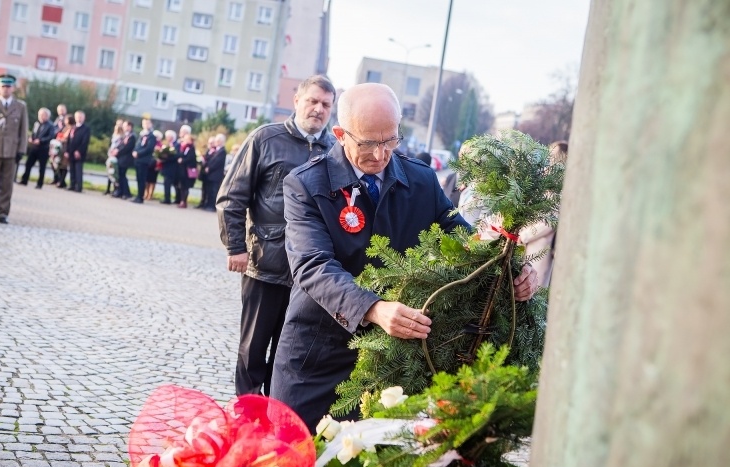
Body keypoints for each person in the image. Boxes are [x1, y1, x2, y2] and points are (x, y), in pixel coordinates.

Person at [269, 83, 539, 431]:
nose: (381, 155)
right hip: (319, 351)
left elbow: (464, 237)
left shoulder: (421, 180)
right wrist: (373, 308)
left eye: (390, 140)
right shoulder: (306, 185)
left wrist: (513, 267)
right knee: (290, 462)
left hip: (394, 359)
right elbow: (312, 266)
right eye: (368, 143)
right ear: (340, 135)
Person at [216, 74, 336, 396]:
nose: (318, 109)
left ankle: (276, 417)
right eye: (312, 101)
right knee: (252, 350)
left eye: (326, 104)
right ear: (297, 101)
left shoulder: (336, 150)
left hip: (308, 275)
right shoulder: (265, 139)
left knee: (288, 355)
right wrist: (235, 247)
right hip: (264, 264)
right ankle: (247, 418)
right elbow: (232, 197)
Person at [517, 140, 567, 288]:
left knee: (533, 289)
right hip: (527, 244)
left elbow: (549, 220)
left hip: (540, 245)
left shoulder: (561, 189)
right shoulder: (544, 182)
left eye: (552, 155)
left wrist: (523, 235)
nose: (548, 159)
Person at [0, 73, 28, 224]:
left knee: (7, 184)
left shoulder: (20, 107)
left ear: (13, 88)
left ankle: (3, 212)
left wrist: (21, 150)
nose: (6, 89)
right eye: (3, 86)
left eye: (8, 86)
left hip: (12, 152)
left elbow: (23, 130)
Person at [19, 107, 55, 188]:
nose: (41, 116)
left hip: (43, 149)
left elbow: (51, 136)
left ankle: (40, 183)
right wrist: (31, 138)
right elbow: (34, 133)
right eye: (40, 115)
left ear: (47, 116)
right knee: (28, 164)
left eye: (43, 115)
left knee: (42, 167)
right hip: (34, 148)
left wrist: (41, 140)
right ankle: (24, 180)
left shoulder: (50, 125)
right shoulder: (36, 124)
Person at [199, 133, 226, 211]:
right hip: (211, 175)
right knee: (209, 191)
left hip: (216, 175)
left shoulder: (222, 151)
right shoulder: (217, 150)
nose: (216, 142)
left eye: (218, 140)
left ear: (221, 141)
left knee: (214, 191)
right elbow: (211, 160)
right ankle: (208, 204)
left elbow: (217, 162)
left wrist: (209, 168)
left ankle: (212, 206)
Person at [131, 117, 155, 204]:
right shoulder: (142, 135)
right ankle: (138, 195)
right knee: (138, 178)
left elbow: (149, 148)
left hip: (144, 160)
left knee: (142, 179)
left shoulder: (151, 136)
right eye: (144, 123)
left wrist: (139, 153)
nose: (145, 125)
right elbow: (138, 145)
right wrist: (134, 151)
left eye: (147, 123)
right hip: (138, 160)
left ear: (151, 124)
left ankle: (140, 197)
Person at [65, 110, 90, 192]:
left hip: (79, 153)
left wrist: (79, 151)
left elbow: (85, 141)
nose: (79, 118)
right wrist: (67, 151)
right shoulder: (73, 127)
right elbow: (68, 140)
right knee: (72, 169)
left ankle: (78, 187)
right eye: (77, 117)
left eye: (81, 117)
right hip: (71, 152)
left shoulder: (86, 129)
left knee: (78, 170)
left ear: (84, 118)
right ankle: (72, 185)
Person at [112, 120, 136, 199]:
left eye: (125, 126)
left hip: (126, 159)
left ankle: (126, 193)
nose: (124, 127)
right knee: (120, 175)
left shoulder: (132, 136)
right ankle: (120, 191)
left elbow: (127, 148)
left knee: (122, 175)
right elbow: (121, 144)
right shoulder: (125, 135)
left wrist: (118, 151)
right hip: (121, 158)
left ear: (130, 127)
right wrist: (116, 149)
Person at [176, 130, 199, 208]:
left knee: (185, 187)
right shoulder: (184, 147)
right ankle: (182, 201)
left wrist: (183, 160)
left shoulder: (191, 148)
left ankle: (183, 201)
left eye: (186, 139)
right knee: (182, 187)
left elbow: (190, 158)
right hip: (183, 170)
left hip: (187, 171)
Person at [52, 114, 74, 188]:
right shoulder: (65, 127)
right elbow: (59, 134)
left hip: (66, 149)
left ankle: (62, 181)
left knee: (64, 166)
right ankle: (60, 181)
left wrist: (62, 139)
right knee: (60, 165)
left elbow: (67, 138)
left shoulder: (71, 128)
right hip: (61, 149)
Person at [159, 129, 179, 204]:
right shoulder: (168, 144)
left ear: (172, 137)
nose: (167, 138)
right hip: (166, 166)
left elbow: (175, 155)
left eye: (168, 136)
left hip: (171, 168)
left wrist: (166, 157)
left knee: (168, 183)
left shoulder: (176, 144)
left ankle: (168, 199)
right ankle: (167, 197)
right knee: (166, 183)